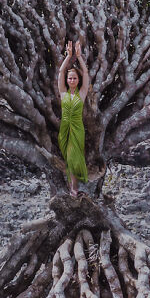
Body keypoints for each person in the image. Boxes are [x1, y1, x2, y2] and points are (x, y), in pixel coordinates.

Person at [57, 40, 89, 196]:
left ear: (78, 80)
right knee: (68, 159)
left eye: (74, 78)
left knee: (72, 157)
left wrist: (79, 57)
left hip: (77, 129)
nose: (71, 80)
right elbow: (61, 72)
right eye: (70, 78)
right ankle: (72, 186)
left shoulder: (81, 94)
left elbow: (87, 74)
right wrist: (68, 56)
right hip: (64, 129)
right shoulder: (63, 92)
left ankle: (74, 188)